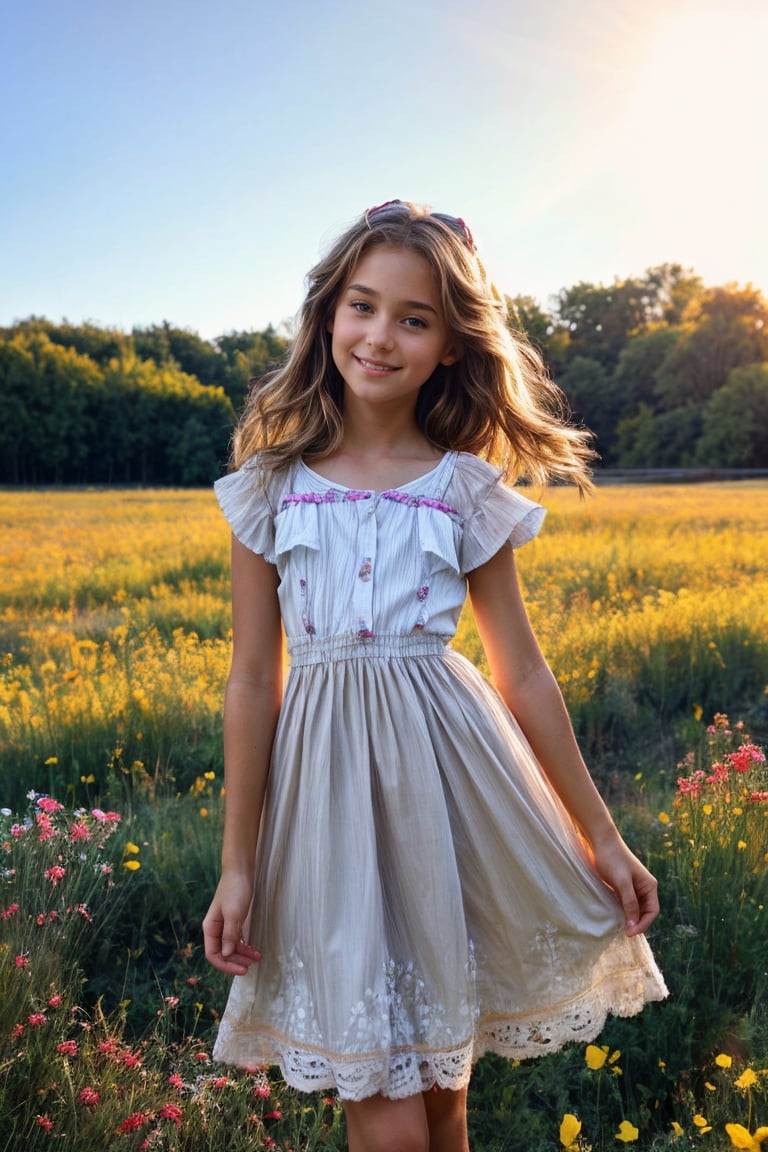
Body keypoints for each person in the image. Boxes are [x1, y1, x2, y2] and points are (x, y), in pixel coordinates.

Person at [202, 199, 667, 1152]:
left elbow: (523, 673)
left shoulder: (464, 488)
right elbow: (254, 680)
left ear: (452, 344)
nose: (380, 336)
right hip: (327, 810)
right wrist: (237, 863)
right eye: (363, 306)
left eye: (413, 319)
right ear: (329, 312)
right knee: (390, 1110)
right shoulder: (270, 485)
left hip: (453, 798)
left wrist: (604, 838)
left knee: (445, 1101)